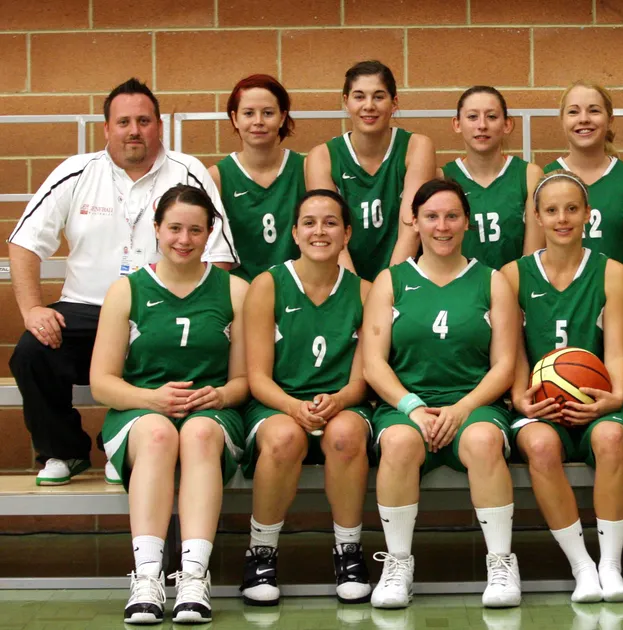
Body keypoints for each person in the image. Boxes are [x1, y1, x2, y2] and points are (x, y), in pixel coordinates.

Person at [7, 78, 237, 487]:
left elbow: (218, 257)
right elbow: (24, 243)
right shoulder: (76, 172)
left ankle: (125, 449)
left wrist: (193, 314)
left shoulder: (188, 171)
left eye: (144, 121)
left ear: (159, 125)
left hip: (163, 311)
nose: (134, 130)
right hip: (85, 309)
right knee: (30, 352)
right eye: (124, 121)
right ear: (106, 128)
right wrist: (32, 309)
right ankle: (64, 451)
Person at [89, 185, 248, 624]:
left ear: (210, 232)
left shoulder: (235, 291)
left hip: (211, 412)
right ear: (156, 229)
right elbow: (101, 382)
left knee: (197, 432)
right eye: (174, 228)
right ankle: (147, 577)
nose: (184, 239)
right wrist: (151, 399)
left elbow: (244, 380)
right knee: (159, 433)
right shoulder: (126, 291)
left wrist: (219, 395)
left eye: (195, 229)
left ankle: (194, 577)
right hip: (139, 410)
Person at [363, 179, 520, 608]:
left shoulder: (492, 281)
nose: (442, 226)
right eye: (431, 216)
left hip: (474, 403)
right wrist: (412, 408)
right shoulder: (391, 281)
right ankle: (397, 565)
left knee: (485, 441)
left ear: (467, 222)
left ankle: (501, 562)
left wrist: (463, 406)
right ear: (414, 221)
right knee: (395, 443)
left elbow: (505, 364)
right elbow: (373, 363)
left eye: (452, 216)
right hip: (406, 405)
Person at [237, 190, 376, 607]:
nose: (320, 231)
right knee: (283, 439)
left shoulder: (366, 292)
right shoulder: (267, 285)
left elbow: (363, 379)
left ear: (347, 233)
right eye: (310, 223)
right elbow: (257, 377)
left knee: (347, 435)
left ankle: (348, 551)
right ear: (295, 232)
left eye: (331, 222)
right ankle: (261, 553)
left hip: (341, 403)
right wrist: (292, 407)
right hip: (278, 402)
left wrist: (340, 399)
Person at [501, 171, 623, 603]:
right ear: (536, 217)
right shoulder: (513, 275)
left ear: (588, 215)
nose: (562, 218)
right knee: (540, 447)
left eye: (572, 209)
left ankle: (611, 565)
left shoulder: (612, 272)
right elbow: (513, 349)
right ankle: (583, 567)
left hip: (598, 400)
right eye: (552, 210)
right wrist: (520, 395)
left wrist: (613, 396)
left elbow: (617, 348)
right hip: (539, 406)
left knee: (613, 437)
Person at [306, 60, 436, 280]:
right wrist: (356, 290)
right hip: (343, 279)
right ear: (346, 102)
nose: (369, 105)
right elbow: (330, 235)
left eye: (378, 96)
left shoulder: (416, 147)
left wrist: (388, 286)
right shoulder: (322, 156)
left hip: (404, 277)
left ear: (394, 103)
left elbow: (411, 228)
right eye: (359, 96)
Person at [209, 74, 305, 282]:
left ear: (282, 117)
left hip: (297, 292)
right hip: (239, 293)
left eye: (268, 113)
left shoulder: (305, 169)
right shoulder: (216, 177)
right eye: (249, 113)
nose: (258, 121)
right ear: (235, 118)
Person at [440, 86, 544, 269]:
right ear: (457, 124)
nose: (482, 125)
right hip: (459, 291)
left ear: (507, 124)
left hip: (514, 290)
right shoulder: (443, 177)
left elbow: (532, 260)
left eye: (492, 116)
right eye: (472, 117)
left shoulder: (529, 175)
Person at [543, 82, 623, 265]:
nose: (584, 119)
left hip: (616, 291)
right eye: (573, 112)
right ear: (562, 120)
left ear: (610, 120)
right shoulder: (545, 178)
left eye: (594, 111)